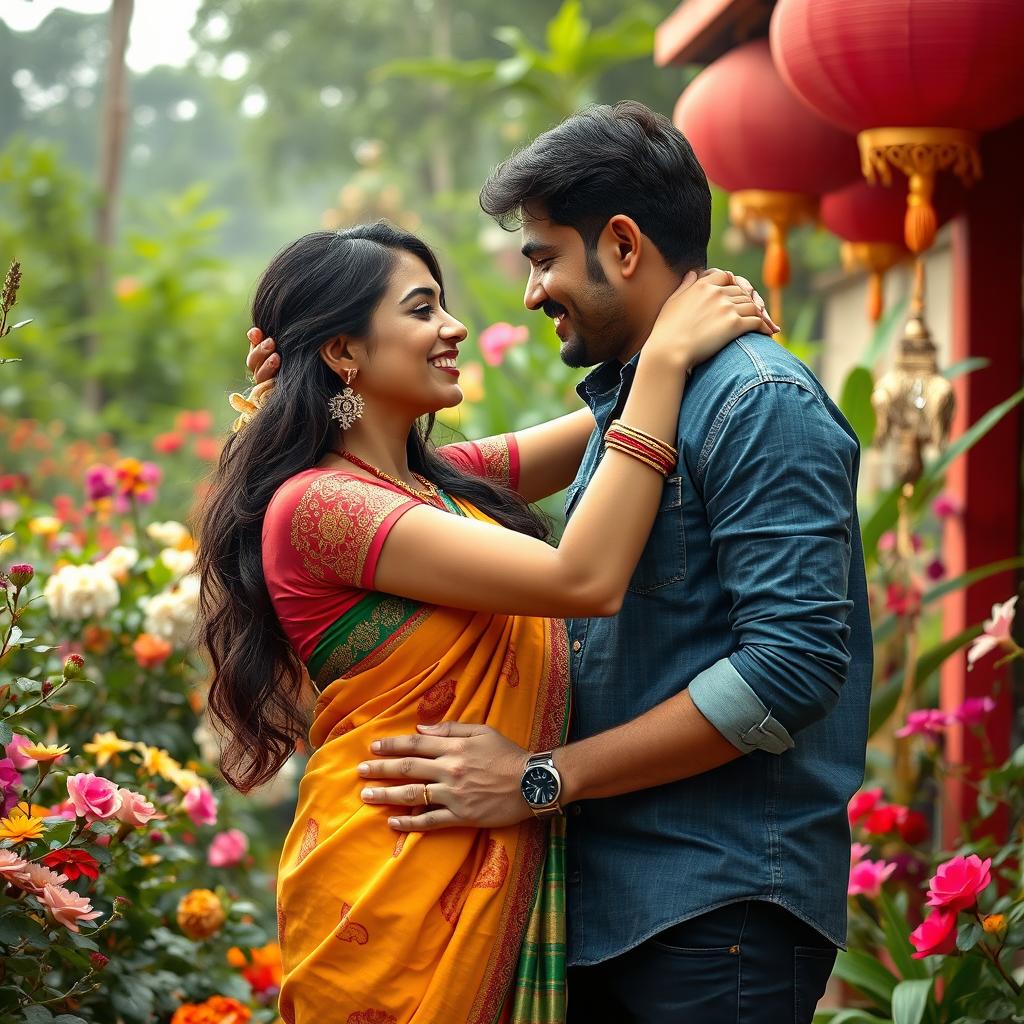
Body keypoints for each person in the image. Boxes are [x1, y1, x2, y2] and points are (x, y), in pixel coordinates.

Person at [310, 101, 874, 1023]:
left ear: (621, 244)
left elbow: (791, 667)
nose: (531, 293)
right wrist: (297, 391)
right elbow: (401, 482)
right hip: (615, 911)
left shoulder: (761, 402)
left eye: (542, 257)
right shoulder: (639, 405)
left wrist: (543, 776)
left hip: (718, 911)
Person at [199, 219, 771, 1024]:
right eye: (423, 309)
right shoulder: (322, 505)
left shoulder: (440, 486)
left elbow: (611, 426)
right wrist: (672, 351)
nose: (453, 327)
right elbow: (585, 577)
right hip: (390, 886)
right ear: (344, 351)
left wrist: (684, 318)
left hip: (472, 852)